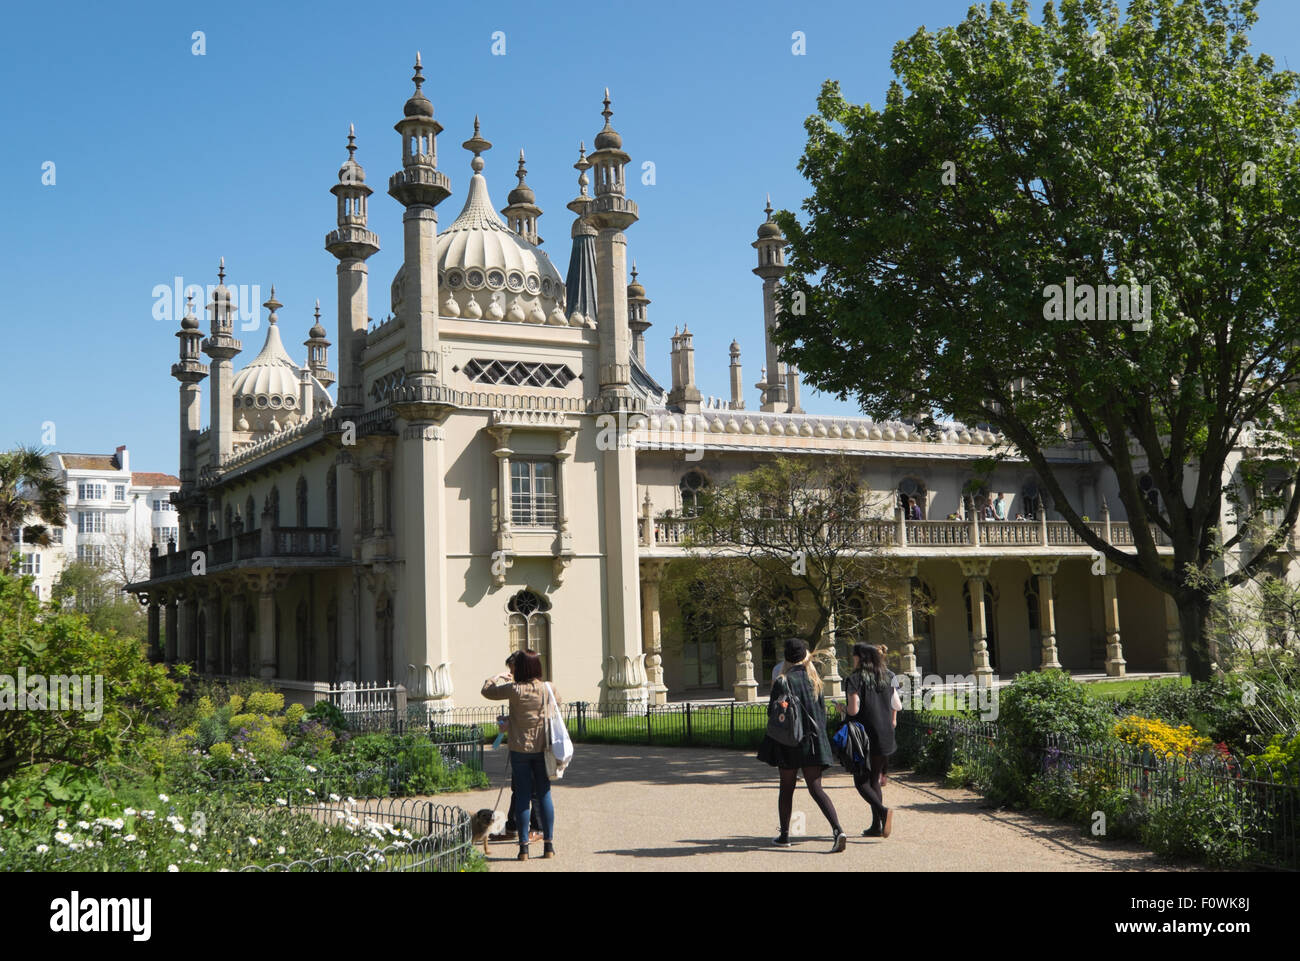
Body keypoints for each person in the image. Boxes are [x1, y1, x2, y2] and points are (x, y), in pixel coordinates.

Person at [757, 638, 846, 853]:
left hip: (789, 741)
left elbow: (773, 713)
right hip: (813, 741)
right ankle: (837, 830)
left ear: (786, 658)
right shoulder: (813, 678)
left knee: (787, 788)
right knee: (816, 788)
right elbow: (821, 712)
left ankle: (785, 834)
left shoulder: (782, 681)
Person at [482, 650, 557, 861]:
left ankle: (523, 848)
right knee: (544, 796)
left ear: (522, 668)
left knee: (523, 797)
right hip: (542, 749)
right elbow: (556, 705)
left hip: (520, 750)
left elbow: (487, 690)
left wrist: (497, 676)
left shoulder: (514, 690)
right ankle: (548, 846)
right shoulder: (548, 688)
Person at [844, 642, 902, 838]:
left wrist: (841, 709)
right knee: (875, 779)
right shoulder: (887, 677)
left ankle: (883, 812)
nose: (852, 659)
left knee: (861, 782)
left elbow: (854, 710)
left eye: (854, 656)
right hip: (885, 733)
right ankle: (876, 825)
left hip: (864, 736)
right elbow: (896, 703)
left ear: (860, 657)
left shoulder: (854, 679)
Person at [491, 651, 543, 845]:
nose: (510, 672)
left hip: (529, 748)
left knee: (533, 791)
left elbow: (535, 718)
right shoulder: (531, 688)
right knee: (520, 789)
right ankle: (514, 826)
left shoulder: (521, 689)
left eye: (512, 668)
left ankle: (537, 829)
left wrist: (494, 678)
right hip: (525, 746)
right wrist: (510, 723)